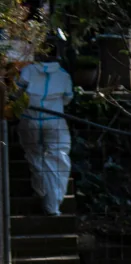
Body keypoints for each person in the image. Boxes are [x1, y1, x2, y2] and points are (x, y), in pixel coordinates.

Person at [17, 46, 72, 216]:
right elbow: (68, 98)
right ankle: (53, 204)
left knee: (34, 155)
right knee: (58, 161)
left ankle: (41, 190)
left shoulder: (28, 70)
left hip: (31, 119)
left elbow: (17, 92)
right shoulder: (63, 75)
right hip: (55, 121)